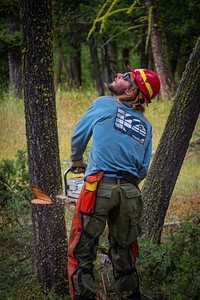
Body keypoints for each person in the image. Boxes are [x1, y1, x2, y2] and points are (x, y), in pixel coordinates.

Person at [68, 65, 160, 300]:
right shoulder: (146, 126)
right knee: (124, 251)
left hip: (98, 187)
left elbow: (79, 137)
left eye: (126, 76)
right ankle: (130, 296)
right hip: (130, 194)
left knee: (82, 252)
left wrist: (78, 160)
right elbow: (142, 169)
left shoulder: (103, 104)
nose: (120, 75)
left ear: (131, 91)